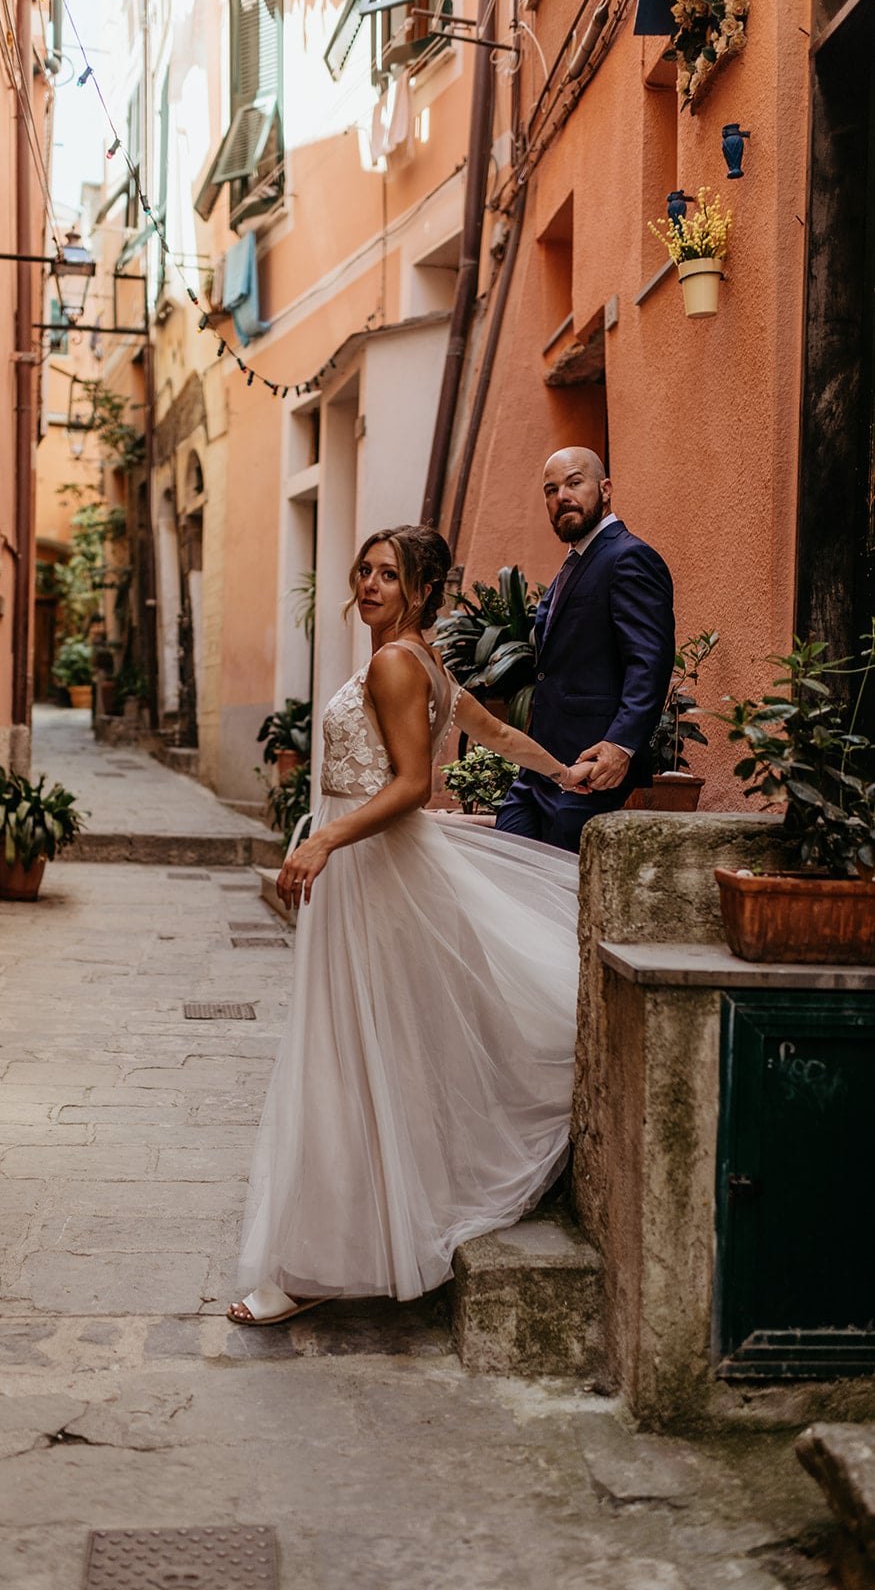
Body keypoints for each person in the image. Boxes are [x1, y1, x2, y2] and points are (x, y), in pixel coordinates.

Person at [228, 525, 593, 1326]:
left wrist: (322, 837)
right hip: (375, 873)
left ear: (422, 591)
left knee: (343, 1055)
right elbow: (494, 735)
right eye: (363, 571)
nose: (368, 585)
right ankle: (344, 1242)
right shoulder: (425, 660)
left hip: (367, 873)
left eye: (388, 575)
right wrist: (562, 770)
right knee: (375, 1052)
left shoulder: (397, 663)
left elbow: (412, 784)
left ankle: (318, 1260)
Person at [494, 448, 676, 853]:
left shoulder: (629, 557)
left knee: (563, 894)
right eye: (551, 489)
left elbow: (650, 661)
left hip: (590, 770)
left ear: (605, 489)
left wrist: (620, 746)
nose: (562, 496)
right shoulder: (575, 562)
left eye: (574, 483)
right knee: (505, 863)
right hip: (543, 768)